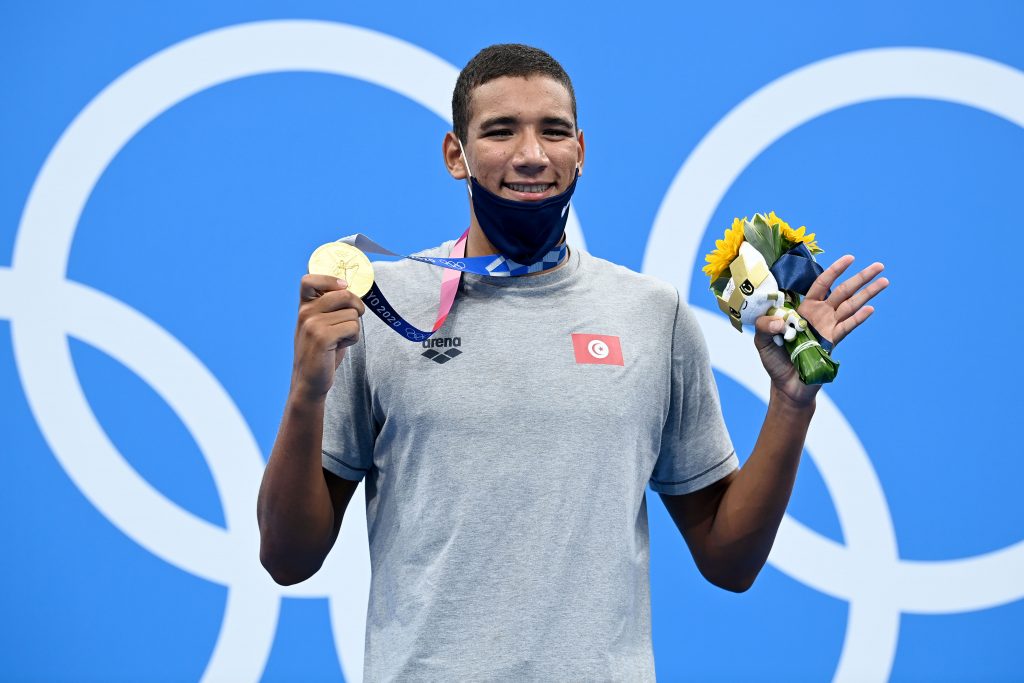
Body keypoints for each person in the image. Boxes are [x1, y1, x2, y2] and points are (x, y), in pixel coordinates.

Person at [257, 44, 888, 680]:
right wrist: (306, 394)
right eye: (500, 131)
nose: (531, 155)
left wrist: (790, 401)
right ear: (456, 155)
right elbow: (288, 559)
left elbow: (730, 561)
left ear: (580, 151)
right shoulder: (380, 304)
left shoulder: (651, 314)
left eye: (552, 131)